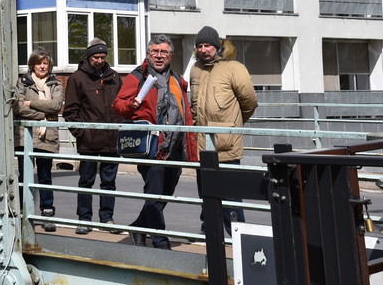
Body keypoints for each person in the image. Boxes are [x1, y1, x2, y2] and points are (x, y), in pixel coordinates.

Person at [112, 34, 197, 250]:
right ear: (148, 53)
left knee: (165, 193)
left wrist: (190, 147)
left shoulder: (177, 79)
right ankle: (160, 241)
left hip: (174, 146)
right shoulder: (138, 76)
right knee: (154, 192)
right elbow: (118, 106)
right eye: (155, 52)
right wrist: (133, 103)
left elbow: (186, 112)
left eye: (163, 52)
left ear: (170, 55)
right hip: (151, 147)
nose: (159, 56)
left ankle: (139, 227)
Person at [190, 28, 258, 234]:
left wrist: (232, 125)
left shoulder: (234, 68)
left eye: (207, 46)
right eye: (200, 46)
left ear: (217, 47)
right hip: (203, 144)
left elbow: (250, 102)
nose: (203, 50)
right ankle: (210, 233)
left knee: (231, 197)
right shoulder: (195, 69)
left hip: (226, 144)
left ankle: (237, 236)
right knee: (207, 193)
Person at [64, 41, 123, 235]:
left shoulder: (114, 77)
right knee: (86, 181)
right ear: (88, 57)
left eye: (102, 57)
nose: (99, 61)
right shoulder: (77, 78)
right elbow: (71, 111)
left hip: (111, 140)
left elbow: (121, 106)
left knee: (109, 182)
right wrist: (81, 133)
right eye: (95, 57)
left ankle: (107, 218)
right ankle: (84, 219)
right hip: (88, 140)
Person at [14, 47, 63, 232]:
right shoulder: (23, 83)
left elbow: (56, 105)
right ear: (32, 65)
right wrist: (43, 112)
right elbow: (18, 107)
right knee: (23, 177)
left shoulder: (55, 84)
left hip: (47, 136)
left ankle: (47, 212)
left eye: (45, 63)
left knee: (45, 176)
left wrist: (32, 103)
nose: (42, 66)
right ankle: (22, 212)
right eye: (39, 63)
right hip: (25, 136)